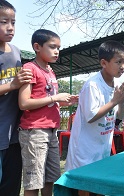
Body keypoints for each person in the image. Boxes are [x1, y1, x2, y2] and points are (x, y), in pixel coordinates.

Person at [18, 29, 78, 196]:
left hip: (51, 131)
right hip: (34, 131)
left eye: (58, 47)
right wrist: (54, 98)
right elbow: (24, 103)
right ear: (37, 47)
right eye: (52, 47)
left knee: (50, 178)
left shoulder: (50, 71)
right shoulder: (30, 68)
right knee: (33, 181)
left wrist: (62, 100)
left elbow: (48, 98)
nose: (57, 51)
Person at [65, 40, 124, 171]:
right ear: (104, 63)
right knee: (82, 188)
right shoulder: (92, 85)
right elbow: (91, 116)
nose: (123, 66)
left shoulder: (118, 84)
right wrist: (114, 102)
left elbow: (120, 116)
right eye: (118, 62)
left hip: (102, 148)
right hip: (84, 151)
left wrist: (121, 101)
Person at [0, 1, 33, 195]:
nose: (10, 27)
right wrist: (13, 84)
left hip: (14, 134)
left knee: (11, 187)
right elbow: (15, 84)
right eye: (4, 22)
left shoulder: (16, 51)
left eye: (13, 22)